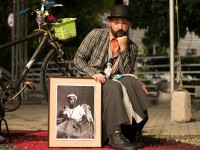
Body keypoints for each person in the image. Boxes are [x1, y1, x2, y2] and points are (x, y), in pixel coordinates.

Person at [74, 4, 149, 150]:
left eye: (124, 23)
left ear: (129, 25)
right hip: (91, 80)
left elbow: (127, 72)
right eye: (116, 22)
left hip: (114, 80)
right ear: (110, 23)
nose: (120, 26)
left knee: (132, 82)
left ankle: (135, 130)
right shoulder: (96, 35)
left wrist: (123, 49)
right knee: (113, 86)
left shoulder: (132, 47)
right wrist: (92, 73)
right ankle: (115, 135)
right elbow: (78, 59)